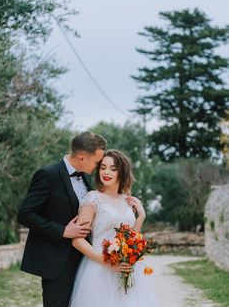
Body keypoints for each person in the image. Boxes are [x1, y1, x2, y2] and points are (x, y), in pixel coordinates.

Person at [17, 131, 107, 307]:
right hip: (57, 262)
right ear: (82, 158)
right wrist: (62, 230)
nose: (99, 166)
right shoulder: (47, 175)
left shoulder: (86, 178)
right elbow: (25, 213)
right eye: (97, 162)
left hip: (84, 261)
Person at [69, 149, 160, 307]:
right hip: (99, 269)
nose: (106, 172)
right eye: (103, 167)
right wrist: (108, 263)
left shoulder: (128, 200)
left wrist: (141, 216)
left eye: (113, 168)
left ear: (122, 171)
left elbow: (131, 239)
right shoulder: (92, 199)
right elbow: (77, 241)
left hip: (126, 268)